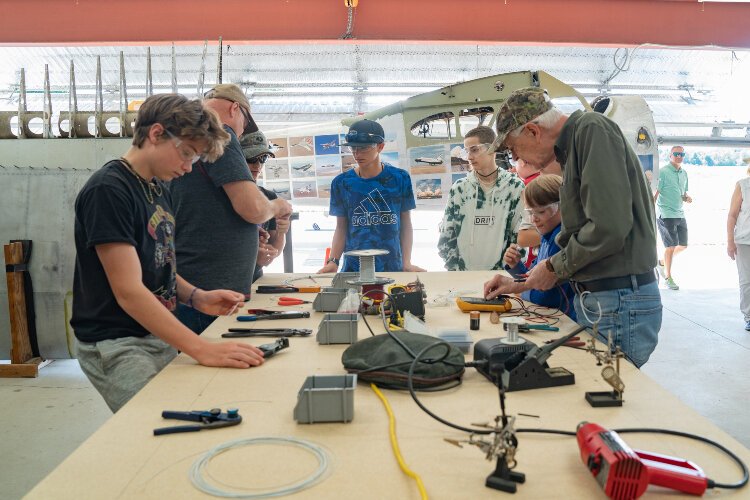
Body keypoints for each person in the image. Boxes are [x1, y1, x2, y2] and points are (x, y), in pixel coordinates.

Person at [71, 94, 265, 413]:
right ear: (157, 134)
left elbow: (155, 263)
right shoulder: (109, 190)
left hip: (157, 332)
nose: (188, 166)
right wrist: (202, 348)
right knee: (154, 427)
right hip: (119, 343)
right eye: (187, 153)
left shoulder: (157, 189)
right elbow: (129, 291)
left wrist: (196, 296)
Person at [485, 87, 662, 368]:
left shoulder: (591, 130)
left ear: (532, 131)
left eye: (513, 149)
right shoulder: (576, 145)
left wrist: (555, 266)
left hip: (617, 300)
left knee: (607, 397)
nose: (518, 160)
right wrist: (519, 283)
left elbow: (608, 227)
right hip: (606, 300)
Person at [170, 84, 292, 334]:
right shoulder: (219, 132)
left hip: (195, 283)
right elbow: (252, 209)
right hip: (211, 290)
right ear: (235, 108)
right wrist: (278, 205)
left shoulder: (189, 137)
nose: (241, 132)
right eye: (244, 125)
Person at [317, 119, 424, 273]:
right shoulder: (341, 183)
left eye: (364, 148)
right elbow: (341, 227)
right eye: (353, 148)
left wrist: (406, 262)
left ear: (380, 147)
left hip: (392, 266)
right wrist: (333, 261)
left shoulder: (400, 178)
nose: (356, 154)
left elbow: (405, 223)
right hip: (353, 268)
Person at [483, 175, 576, 319]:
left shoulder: (561, 239)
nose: (534, 219)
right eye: (530, 213)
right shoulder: (546, 237)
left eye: (541, 212)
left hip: (567, 319)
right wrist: (516, 266)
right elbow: (532, 278)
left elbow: (547, 298)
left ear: (562, 207)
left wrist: (518, 290)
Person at [438, 125, 525, 270]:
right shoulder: (459, 189)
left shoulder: (515, 187)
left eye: (474, 149)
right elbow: (447, 235)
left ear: (492, 148)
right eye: (467, 151)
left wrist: (506, 270)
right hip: (463, 276)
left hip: (501, 278)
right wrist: (455, 270)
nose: (469, 157)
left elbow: (521, 236)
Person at [239, 130, 291, 282]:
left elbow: (275, 248)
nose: (258, 165)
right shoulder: (224, 197)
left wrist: (282, 231)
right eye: (251, 158)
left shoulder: (269, 197)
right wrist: (254, 255)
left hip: (255, 278)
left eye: (263, 158)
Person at [654, 145, 692, 290]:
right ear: (670, 155)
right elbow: (655, 194)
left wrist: (686, 198)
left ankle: (662, 262)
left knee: (683, 245)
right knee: (670, 246)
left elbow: (682, 194)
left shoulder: (684, 173)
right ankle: (668, 278)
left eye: (682, 154)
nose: (679, 156)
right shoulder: (663, 172)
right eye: (676, 154)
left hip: (680, 214)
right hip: (666, 214)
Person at [726, 163, 750, 331]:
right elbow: (732, 215)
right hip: (744, 241)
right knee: (747, 281)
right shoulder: (743, 185)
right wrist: (730, 241)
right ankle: (749, 316)